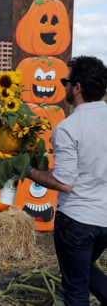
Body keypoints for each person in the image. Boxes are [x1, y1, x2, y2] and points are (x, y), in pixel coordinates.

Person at [26, 56, 107, 305]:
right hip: (105, 219)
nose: (64, 87)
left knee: (75, 290)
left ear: (78, 87)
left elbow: (64, 182)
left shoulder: (68, 127)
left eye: (66, 81)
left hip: (77, 221)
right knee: (83, 270)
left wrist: (27, 171)